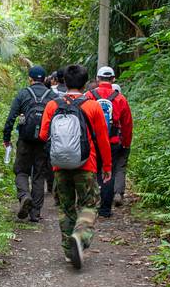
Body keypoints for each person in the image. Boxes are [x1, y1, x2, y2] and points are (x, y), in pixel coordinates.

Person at [39, 64, 112, 269]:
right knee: (89, 204)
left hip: (59, 168)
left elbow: (43, 135)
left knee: (65, 207)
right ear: (84, 82)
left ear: (64, 81)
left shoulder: (53, 105)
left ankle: (69, 252)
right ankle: (80, 236)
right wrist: (106, 166)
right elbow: (103, 139)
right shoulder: (93, 106)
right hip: (86, 165)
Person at [3, 65, 56, 222]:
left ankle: (25, 196)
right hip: (44, 141)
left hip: (25, 140)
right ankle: (35, 213)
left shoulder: (23, 94)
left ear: (30, 79)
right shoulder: (52, 96)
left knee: (21, 171)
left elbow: (11, 117)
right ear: (44, 79)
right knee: (39, 175)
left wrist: (6, 138)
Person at [86, 66, 133, 216]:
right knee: (108, 172)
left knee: (92, 171)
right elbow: (127, 124)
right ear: (113, 79)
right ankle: (105, 209)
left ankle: (89, 205)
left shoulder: (89, 96)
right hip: (112, 141)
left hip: (92, 141)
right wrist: (126, 142)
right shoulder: (120, 98)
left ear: (98, 79)